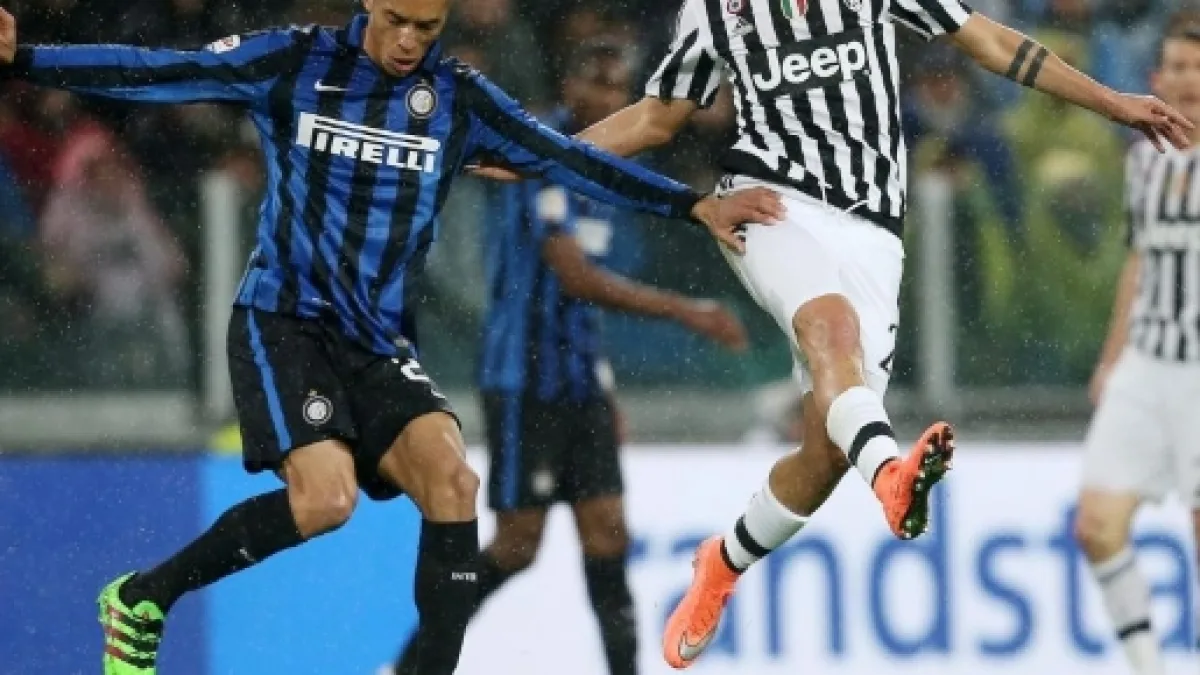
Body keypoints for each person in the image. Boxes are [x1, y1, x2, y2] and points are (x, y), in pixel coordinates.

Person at [0, 1, 782, 673]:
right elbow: (155, 69)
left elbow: (567, 160)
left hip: (375, 339)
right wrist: (25, 58)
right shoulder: (295, 62)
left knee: (453, 483)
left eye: (428, 27)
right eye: (399, 21)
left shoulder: (458, 99)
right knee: (326, 500)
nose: (410, 41)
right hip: (287, 321)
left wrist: (691, 205)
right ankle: (142, 597)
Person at [473, 0, 1193, 668]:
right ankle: (891, 474)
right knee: (831, 326)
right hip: (769, 205)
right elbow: (658, 117)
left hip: (874, 232)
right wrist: (544, 152)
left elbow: (990, 42)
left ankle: (724, 561)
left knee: (822, 452)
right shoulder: (715, 10)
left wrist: (1113, 102)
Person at [390, 41, 750, 675]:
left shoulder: (608, 162)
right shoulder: (544, 152)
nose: (607, 98)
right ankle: (409, 664)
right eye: (595, 82)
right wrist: (687, 311)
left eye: (617, 87)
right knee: (517, 545)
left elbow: (580, 300)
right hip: (523, 377)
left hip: (580, 380)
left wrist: (603, 387)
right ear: (569, 85)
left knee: (609, 534)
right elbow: (575, 275)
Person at [1075, 19, 1200, 675]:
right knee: (1095, 526)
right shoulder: (1143, 158)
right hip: (1147, 364)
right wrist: (1111, 356)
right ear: (1157, 78)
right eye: (1175, 66)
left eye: (1196, 66)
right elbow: (1138, 258)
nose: (1186, 78)